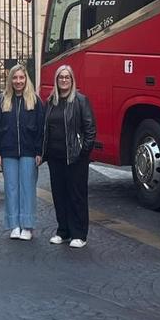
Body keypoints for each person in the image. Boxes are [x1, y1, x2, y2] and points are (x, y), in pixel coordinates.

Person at [0, 64, 44, 241]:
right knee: (11, 188)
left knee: (28, 188)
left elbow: (41, 128)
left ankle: (27, 225)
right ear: (10, 80)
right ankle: (14, 225)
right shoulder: (1, 100)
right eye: (15, 77)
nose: (18, 81)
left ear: (26, 79)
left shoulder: (35, 101)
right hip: (8, 151)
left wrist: (39, 151)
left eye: (21, 77)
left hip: (29, 152)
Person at [43, 65, 96, 248]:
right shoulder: (51, 101)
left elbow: (90, 129)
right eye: (61, 77)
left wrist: (83, 153)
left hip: (75, 158)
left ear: (72, 80)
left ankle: (79, 234)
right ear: (56, 80)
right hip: (55, 157)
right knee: (59, 195)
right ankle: (63, 231)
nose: (64, 80)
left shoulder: (81, 101)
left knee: (76, 196)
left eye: (67, 77)